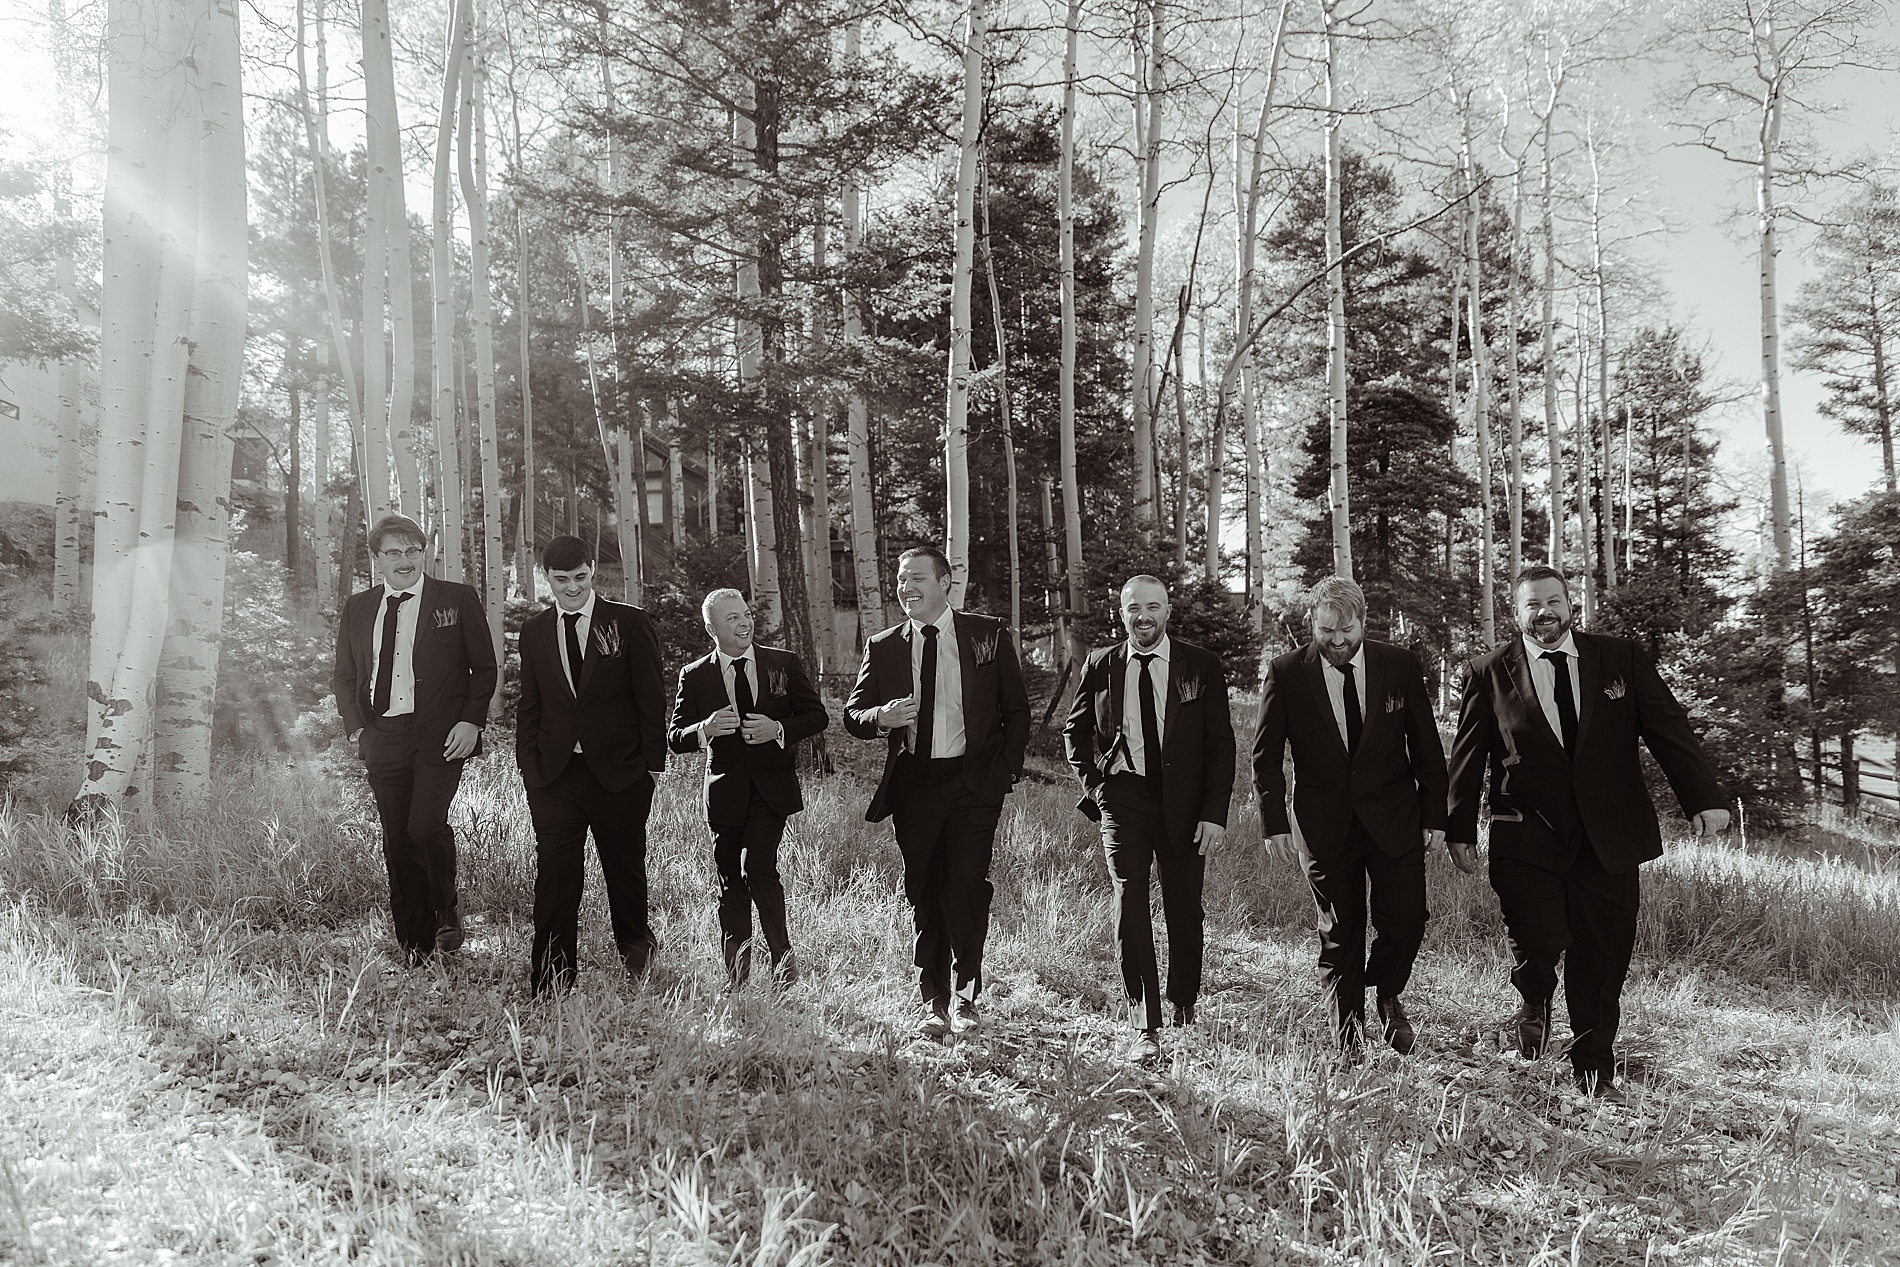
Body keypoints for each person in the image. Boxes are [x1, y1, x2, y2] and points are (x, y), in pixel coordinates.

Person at [1447, 565, 1729, 1098]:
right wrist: (1459, 826)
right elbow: (1468, 755)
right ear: (1516, 612)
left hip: (1610, 837)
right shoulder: (1489, 672)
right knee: (1540, 937)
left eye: (1553, 601)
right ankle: (1534, 994)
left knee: (1602, 952)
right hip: (1526, 833)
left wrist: (1705, 798)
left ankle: (1593, 1064)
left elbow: (1668, 727)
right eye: (1532, 604)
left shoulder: (1618, 658)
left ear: (1570, 604)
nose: (1545, 612)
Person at [1252, 577, 1448, 1054]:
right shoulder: (1286, 673)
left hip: (1395, 818)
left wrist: (1436, 817)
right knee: (1341, 932)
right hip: (1323, 825)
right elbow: (1265, 755)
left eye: (1347, 631)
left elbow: (1426, 747)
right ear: (1311, 625)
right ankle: (1349, 1040)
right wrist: (1273, 822)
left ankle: (1386, 992)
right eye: (1326, 632)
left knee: (1406, 919)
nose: (1337, 642)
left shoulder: (1398, 666)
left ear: (1364, 621)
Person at [844, 546, 1030, 1038]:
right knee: (924, 890)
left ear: (945, 583)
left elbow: (1017, 709)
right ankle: (934, 1002)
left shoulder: (985, 634)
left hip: (974, 785)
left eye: (917, 578)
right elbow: (852, 713)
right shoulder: (883, 645)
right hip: (915, 787)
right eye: (901, 579)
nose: (906, 587)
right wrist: (878, 717)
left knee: (964, 886)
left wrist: (1004, 771)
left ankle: (967, 993)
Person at [1064, 574, 1235, 1063]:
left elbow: (1221, 744)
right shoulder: (1102, 664)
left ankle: (1183, 1000)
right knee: (1129, 900)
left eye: (1153, 607)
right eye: (1134, 607)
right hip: (1124, 800)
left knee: (1184, 908)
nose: (1144, 616)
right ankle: (1145, 1022)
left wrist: (1214, 814)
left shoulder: (1200, 666)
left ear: (1168, 610)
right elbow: (1075, 732)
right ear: (1122, 612)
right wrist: (1095, 787)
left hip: (1184, 805)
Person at [331, 513, 497, 965]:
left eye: (411, 551)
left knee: (424, 826)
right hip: (381, 735)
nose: (404, 561)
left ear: (424, 553)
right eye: (393, 553)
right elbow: (345, 676)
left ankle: (445, 905)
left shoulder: (456, 599)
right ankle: (415, 945)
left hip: (442, 736)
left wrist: (471, 721)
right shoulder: (359, 607)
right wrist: (357, 729)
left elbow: (483, 668)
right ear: (378, 559)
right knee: (397, 841)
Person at [515, 534, 668, 994]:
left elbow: (651, 697)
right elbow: (531, 704)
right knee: (556, 875)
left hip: (620, 774)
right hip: (554, 775)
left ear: (593, 569)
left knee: (624, 870)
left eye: (580, 577)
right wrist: (529, 765)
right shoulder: (535, 631)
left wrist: (650, 766)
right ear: (547, 578)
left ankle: (637, 957)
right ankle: (552, 978)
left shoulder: (628, 623)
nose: (572, 588)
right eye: (561, 580)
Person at [668, 588, 829, 989]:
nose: (744, 624)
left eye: (745, 615)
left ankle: (782, 963)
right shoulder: (695, 674)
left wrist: (779, 729)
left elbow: (816, 716)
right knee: (729, 880)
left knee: (758, 868)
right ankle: (737, 976)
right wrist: (702, 729)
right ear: (711, 629)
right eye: (732, 619)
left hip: (771, 790)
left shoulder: (782, 663)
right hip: (724, 792)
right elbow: (674, 736)